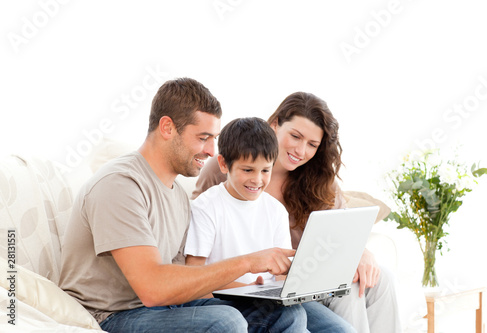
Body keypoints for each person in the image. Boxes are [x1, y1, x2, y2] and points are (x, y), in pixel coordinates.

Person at [58, 78, 308, 333]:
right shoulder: (120, 184)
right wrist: (248, 263)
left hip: (165, 308)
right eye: (203, 138)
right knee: (226, 322)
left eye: (214, 139)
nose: (211, 150)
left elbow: (183, 279)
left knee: (286, 315)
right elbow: (153, 289)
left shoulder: (177, 195)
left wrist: (254, 291)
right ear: (167, 127)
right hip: (111, 315)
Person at [192, 92, 402, 333]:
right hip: (255, 286)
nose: (301, 151)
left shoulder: (318, 181)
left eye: (312, 145)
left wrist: (362, 252)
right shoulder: (224, 170)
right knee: (351, 289)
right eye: (295, 136)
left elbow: (342, 232)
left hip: (301, 282)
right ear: (274, 125)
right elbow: (197, 233)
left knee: (381, 277)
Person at [185, 117, 356, 332]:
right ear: (223, 164)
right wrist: (246, 289)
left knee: (341, 330)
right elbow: (192, 279)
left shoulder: (275, 210)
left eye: (265, 170)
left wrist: (283, 287)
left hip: (266, 297)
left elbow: (281, 275)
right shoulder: (206, 207)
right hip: (218, 300)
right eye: (247, 170)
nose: (257, 180)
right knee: (291, 317)